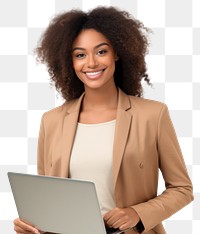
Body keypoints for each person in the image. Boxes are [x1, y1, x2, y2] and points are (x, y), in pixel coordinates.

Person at [13, 6, 193, 234]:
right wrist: (31, 224)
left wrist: (137, 213)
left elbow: (182, 188)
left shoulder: (152, 115)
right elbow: (46, 199)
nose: (91, 63)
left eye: (101, 51)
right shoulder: (51, 121)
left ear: (116, 52)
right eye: (80, 54)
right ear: (70, 61)